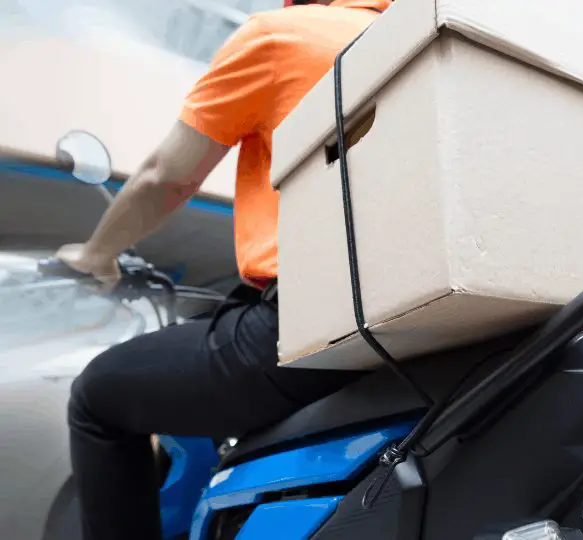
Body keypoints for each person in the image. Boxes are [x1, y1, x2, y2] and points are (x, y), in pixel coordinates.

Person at [54, 1, 391, 538]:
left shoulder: (282, 37)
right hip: (407, 326)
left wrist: (96, 255)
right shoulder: (417, 40)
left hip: (307, 331)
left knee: (96, 397)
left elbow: (166, 177)